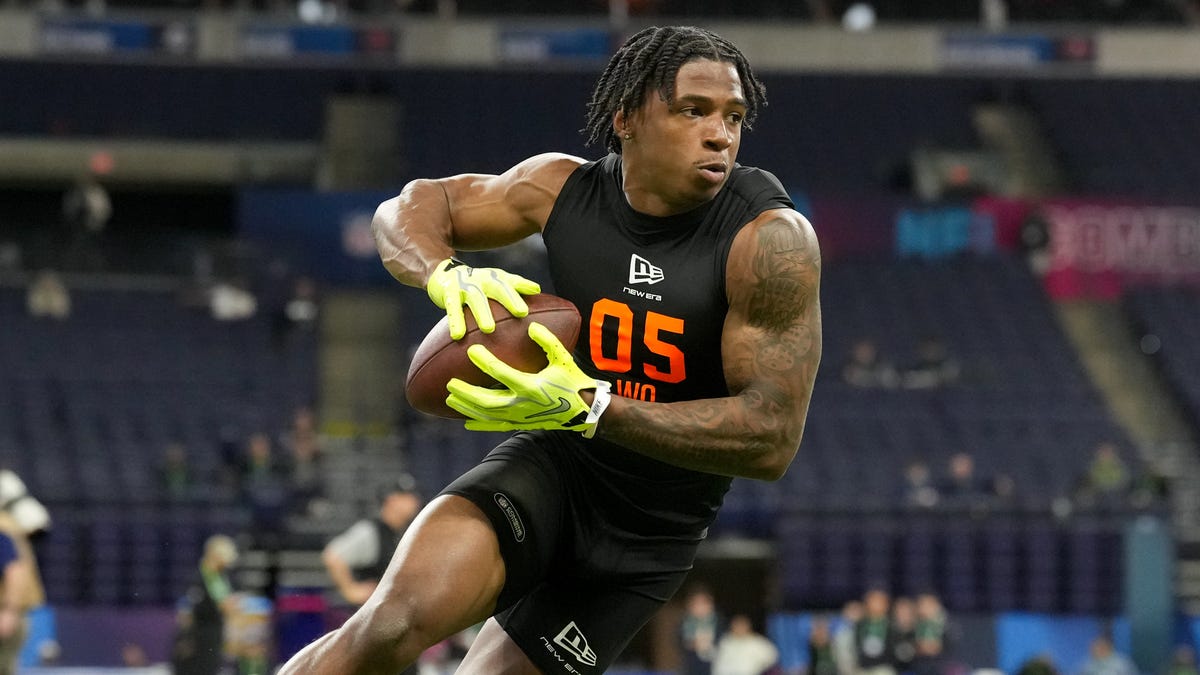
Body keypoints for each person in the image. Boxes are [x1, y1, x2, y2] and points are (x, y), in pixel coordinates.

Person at [279, 24, 821, 675]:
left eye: (732, 116)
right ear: (626, 118)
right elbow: (409, 207)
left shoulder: (770, 239)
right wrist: (444, 273)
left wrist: (595, 406)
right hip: (553, 471)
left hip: (650, 536)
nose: (720, 134)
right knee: (390, 623)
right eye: (693, 110)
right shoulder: (562, 189)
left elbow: (771, 439)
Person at [322, 475, 422, 607]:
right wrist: (350, 590)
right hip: (366, 613)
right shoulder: (371, 531)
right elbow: (333, 555)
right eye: (406, 497)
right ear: (391, 500)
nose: (415, 501)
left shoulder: (403, 532)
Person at [171, 534, 239, 675]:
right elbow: (186, 611)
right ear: (215, 555)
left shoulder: (221, 577)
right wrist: (185, 638)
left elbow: (227, 604)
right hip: (198, 637)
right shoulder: (199, 578)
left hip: (214, 635)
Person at [711, 614, 779, 675]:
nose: (739, 628)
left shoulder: (757, 642)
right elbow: (714, 658)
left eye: (742, 625)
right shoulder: (725, 641)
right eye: (736, 625)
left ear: (748, 626)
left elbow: (772, 657)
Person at [680, 586, 720, 675]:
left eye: (704, 603)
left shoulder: (719, 622)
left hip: (716, 665)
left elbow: (724, 640)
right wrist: (690, 644)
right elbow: (678, 641)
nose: (700, 607)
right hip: (692, 666)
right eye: (696, 604)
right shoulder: (685, 623)